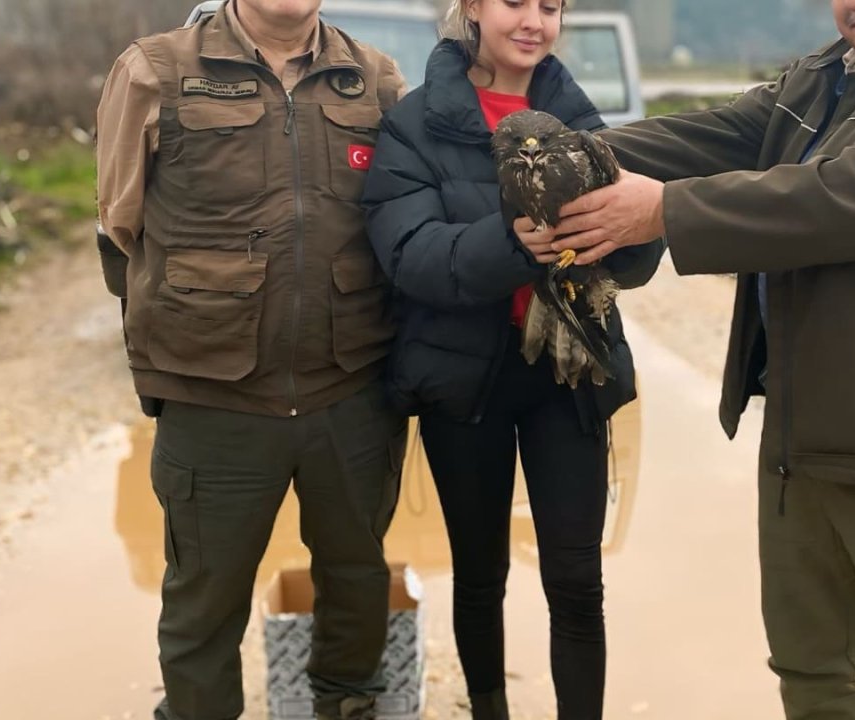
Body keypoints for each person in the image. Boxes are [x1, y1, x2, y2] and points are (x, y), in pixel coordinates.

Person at [524, 1, 855, 718]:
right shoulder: (829, 72)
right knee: (814, 672)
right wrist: (563, 155)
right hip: (801, 436)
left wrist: (666, 213)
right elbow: (715, 137)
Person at [95, 1, 408, 718]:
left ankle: (346, 705)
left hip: (351, 388)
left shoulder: (375, 78)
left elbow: (400, 218)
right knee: (203, 604)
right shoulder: (154, 71)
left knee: (359, 582)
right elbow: (119, 225)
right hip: (215, 398)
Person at [360, 1, 663, 717]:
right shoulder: (415, 123)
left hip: (570, 377)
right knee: (479, 573)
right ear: (471, 8)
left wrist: (640, 227)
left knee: (578, 578)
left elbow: (640, 261)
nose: (534, 20)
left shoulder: (584, 123)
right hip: (465, 380)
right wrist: (513, 246)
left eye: (551, 6)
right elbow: (408, 255)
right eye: (514, 3)